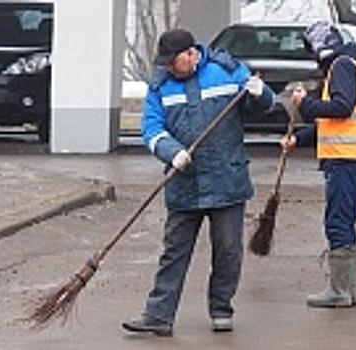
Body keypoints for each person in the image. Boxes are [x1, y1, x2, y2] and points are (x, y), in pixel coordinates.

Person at [122, 28, 274, 336]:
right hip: (184, 182)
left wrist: (262, 94)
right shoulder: (160, 86)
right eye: (163, 61)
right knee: (174, 251)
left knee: (228, 250)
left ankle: (221, 309)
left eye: (172, 60)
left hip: (227, 180)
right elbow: (151, 129)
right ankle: (158, 315)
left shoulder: (227, 71)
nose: (166, 66)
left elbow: (263, 107)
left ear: (191, 54)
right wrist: (171, 150)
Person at [280, 21, 356, 308]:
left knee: (337, 221)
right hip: (352, 156)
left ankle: (340, 291)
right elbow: (335, 122)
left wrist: (304, 103)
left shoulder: (342, 67)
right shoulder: (351, 66)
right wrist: (299, 139)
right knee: (344, 220)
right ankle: (349, 290)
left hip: (346, 158)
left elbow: (341, 108)